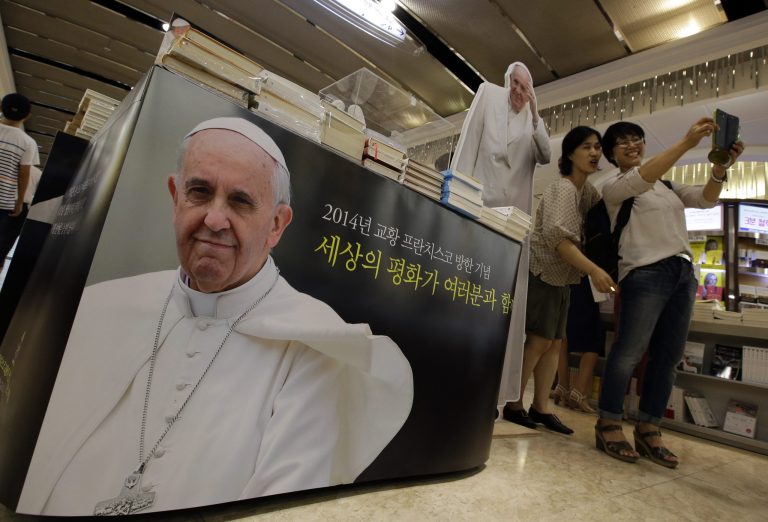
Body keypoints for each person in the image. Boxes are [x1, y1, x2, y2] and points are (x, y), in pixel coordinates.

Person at [18, 117, 414, 515]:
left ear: (276, 225)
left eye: (240, 201)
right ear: (176, 196)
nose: (214, 220)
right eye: (200, 192)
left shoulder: (317, 346)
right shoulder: (99, 306)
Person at [595, 119, 744, 467]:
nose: (633, 145)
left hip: (682, 273)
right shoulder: (614, 186)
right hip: (644, 272)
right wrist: (686, 142)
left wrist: (720, 168)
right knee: (629, 353)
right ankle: (608, 422)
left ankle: (650, 427)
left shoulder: (667, 185)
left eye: (637, 139)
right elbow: (643, 176)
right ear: (612, 154)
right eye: (623, 143)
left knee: (667, 357)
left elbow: (706, 199)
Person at [449, 62, 551, 414]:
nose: (521, 92)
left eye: (528, 87)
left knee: (502, 305)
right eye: (517, 84)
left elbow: (546, 155)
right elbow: (466, 152)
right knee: (466, 295)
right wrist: (456, 204)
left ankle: (489, 390)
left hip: (512, 224)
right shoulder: (488, 95)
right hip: (478, 214)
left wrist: (536, 114)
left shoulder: (534, 121)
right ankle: (456, 377)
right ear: (507, 81)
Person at [502, 126, 615, 434]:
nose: (594, 153)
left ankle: (541, 407)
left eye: (598, 147)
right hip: (544, 271)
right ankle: (514, 404)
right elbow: (559, 240)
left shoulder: (587, 191)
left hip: (562, 277)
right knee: (539, 340)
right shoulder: (563, 188)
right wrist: (593, 269)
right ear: (569, 154)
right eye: (586, 147)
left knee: (553, 343)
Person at [553, 275, 604, 414]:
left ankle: (562, 385)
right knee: (594, 340)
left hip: (567, 279)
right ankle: (579, 392)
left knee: (564, 334)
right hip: (588, 280)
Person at [0, 93, 39, 269]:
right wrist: (19, 203)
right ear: (27, 115)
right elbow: (24, 174)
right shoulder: (28, 142)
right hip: (3, 201)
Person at [0, 165, 41, 268]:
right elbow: (38, 195)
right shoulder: (37, 172)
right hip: (22, 207)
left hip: (4, 202)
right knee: (5, 245)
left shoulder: (9, 166)